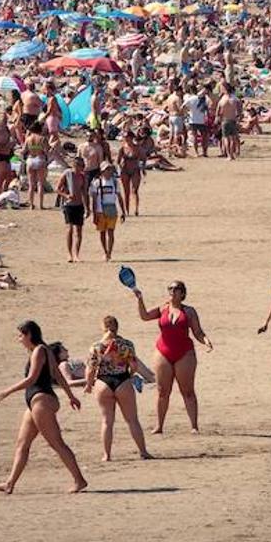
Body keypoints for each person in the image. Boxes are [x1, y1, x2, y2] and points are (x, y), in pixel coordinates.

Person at [0, 320, 87, 494]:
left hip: (41, 400)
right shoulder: (43, 350)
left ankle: (79, 480)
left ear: (29, 334)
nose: (19, 339)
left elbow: (32, 378)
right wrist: (71, 396)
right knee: (22, 443)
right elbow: (58, 375)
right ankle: (10, 483)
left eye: (21, 335)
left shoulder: (39, 351)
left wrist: (7, 391)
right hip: (36, 402)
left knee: (56, 443)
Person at [132, 280, 213, 434]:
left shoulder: (189, 311)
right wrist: (140, 299)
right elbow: (145, 316)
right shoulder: (163, 308)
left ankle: (194, 426)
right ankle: (159, 426)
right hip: (163, 352)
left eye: (176, 289)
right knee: (162, 391)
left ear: (182, 293)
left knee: (188, 391)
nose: (172, 291)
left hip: (185, 353)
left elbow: (198, 332)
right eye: (170, 288)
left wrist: (207, 341)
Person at [84, 315, 151, 461]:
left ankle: (106, 455)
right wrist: (130, 374)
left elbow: (90, 369)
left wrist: (89, 385)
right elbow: (134, 365)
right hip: (122, 380)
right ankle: (143, 452)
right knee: (132, 420)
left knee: (107, 421)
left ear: (103, 327)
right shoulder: (126, 344)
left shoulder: (96, 346)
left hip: (103, 382)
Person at [89, 161, 125, 261]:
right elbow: (94, 199)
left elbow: (119, 196)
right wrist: (94, 213)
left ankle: (109, 252)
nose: (108, 172)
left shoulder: (114, 182)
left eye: (110, 169)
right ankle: (105, 251)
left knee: (111, 232)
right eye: (106, 170)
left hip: (112, 209)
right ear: (102, 171)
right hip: (100, 210)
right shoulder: (96, 182)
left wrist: (123, 211)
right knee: (102, 232)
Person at [57, 157, 88, 262]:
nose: (81, 168)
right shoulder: (67, 174)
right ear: (74, 165)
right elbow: (57, 189)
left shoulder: (83, 177)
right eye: (79, 165)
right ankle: (69, 254)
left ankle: (77, 255)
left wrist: (88, 207)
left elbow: (84, 193)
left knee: (79, 231)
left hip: (79, 205)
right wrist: (66, 196)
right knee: (69, 229)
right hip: (68, 205)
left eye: (82, 165)